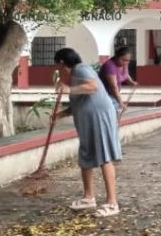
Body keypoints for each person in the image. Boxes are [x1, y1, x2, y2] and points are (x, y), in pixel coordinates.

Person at [55, 47, 122, 217]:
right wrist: (60, 114)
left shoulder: (81, 69)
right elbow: (78, 102)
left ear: (63, 64)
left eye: (57, 67)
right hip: (87, 123)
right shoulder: (74, 79)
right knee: (86, 156)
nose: (58, 72)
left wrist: (69, 89)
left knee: (104, 156)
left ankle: (112, 203)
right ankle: (88, 197)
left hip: (100, 118)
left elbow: (92, 87)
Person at [98, 46, 137, 113]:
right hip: (105, 95)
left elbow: (126, 74)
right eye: (123, 60)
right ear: (116, 57)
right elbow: (113, 86)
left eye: (128, 60)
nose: (125, 62)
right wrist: (120, 102)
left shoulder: (124, 64)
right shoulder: (109, 66)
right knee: (111, 114)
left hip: (113, 95)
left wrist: (131, 82)